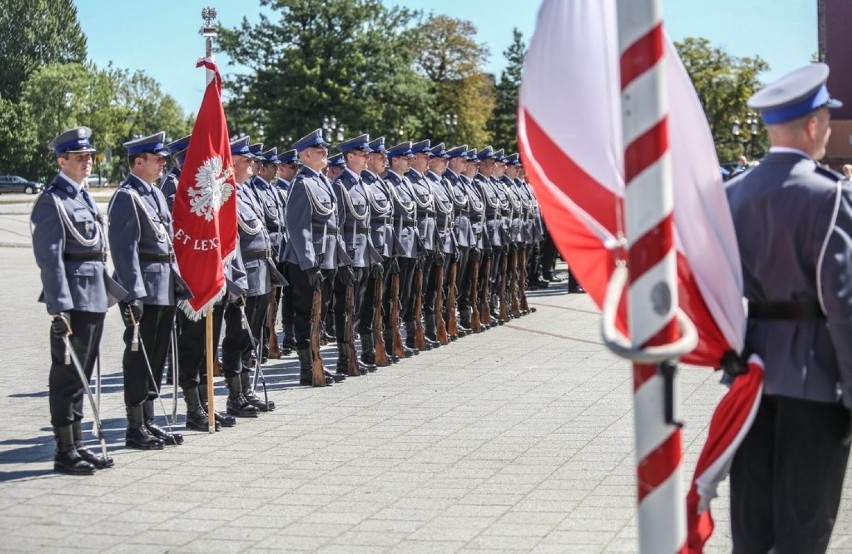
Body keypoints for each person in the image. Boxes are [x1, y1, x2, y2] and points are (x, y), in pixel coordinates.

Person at [726, 62, 852, 553]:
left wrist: (730, 356)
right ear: (814, 124)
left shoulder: (733, 193)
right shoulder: (829, 196)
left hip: (749, 375)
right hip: (816, 379)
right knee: (804, 529)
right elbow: (842, 304)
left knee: (753, 530)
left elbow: (710, 288)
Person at [32, 127, 124, 474]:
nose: (88, 161)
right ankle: (64, 449)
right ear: (62, 161)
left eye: (90, 156)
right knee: (67, 375)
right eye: (80, 157)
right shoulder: (52, 200)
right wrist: (59, 307)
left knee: (83, 373)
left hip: (94, 294)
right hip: (73, 300)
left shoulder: (83, 196)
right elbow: (50, 259)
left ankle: (79, 443)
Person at [109, 132, 189, 449]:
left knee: (156, 357)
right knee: (139, 357)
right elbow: (124, 250)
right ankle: (134, 426)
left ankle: (150, 420)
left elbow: (167, 243)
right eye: (157, 159)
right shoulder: (127, 196)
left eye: (163, 159)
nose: (163, 164)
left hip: (164, 284)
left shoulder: (154, 194)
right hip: (143, 287)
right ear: (138, 161)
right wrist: (133, 294)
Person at [282, 129, 348, 386]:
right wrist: (310, 264)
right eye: (321, 151)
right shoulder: (302, 184)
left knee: (320, 313)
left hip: (328, 258)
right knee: (306, 313)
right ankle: (307, 368)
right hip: (307, 260)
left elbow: (335, 225)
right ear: (307, 155)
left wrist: (341, 260)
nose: (326, 154)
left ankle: (318, 361)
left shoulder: (322, 182)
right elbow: (299, 228)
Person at [331, 134, 382, 375]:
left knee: (359, 307)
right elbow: (337, 226)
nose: (367, 158)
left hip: (363, 253)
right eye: (363, 155)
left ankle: (356, 352)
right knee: (345, 308)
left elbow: (366, 224)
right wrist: (343, 260)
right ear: (350, 157)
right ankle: (344, 357)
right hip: (350, 255)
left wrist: (373, 256)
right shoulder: (340, 185)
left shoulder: (361, 184)